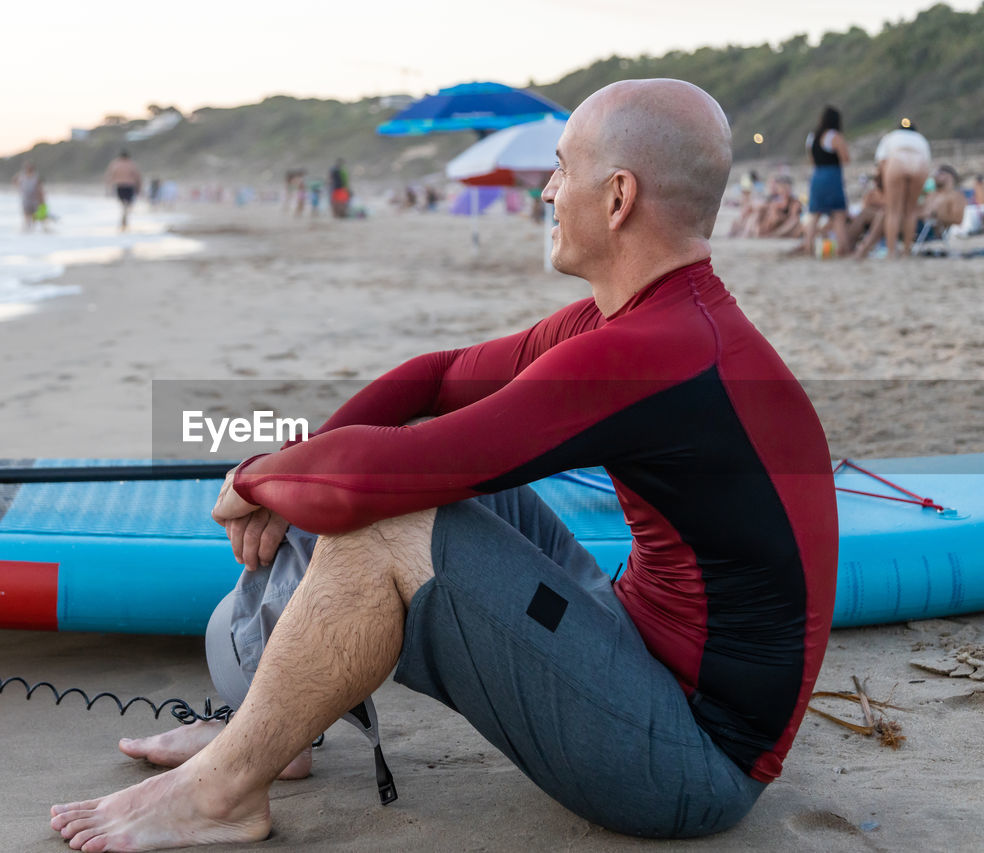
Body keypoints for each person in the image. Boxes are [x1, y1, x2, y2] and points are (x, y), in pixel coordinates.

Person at [49, 79, 838, 850]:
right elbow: (435, 378)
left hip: (690, 760)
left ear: (619, 197)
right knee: (360, 478)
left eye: (561, 170)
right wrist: (291, 466)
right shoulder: (636, 320)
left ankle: (222, 789)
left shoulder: (655, 351)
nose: (547, 192)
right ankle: (269, 734)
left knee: (386, 513)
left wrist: (254, 479)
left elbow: (374, 479)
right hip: (636, 650)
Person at [872, 122, 931, 259]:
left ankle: (891, 251)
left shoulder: (891, 137)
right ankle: (906, 251)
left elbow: (881, 162)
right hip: (919, 165)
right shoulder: (920, 139)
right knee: (911, 211)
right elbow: (928, 163)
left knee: (893, 211)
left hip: (897, 163)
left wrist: (881, 184)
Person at [799, 106, 851, 256]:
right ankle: (843, 249)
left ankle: (808, 247)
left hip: (817, 176)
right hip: (832, 176)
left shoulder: (811, 137)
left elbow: (812, 160)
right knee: (839, 214)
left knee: (814, 214)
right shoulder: (834, 136)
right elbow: (845, 159)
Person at [919, 164, 967, 234]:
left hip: (931, 230)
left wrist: (935, 215)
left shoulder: (956, 196)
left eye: (939, 173)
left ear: (950, 177)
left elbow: (958, 220)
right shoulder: (931, 194)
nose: (935, 176)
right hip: (921, 227)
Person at [105, 151, 143, 231]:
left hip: (119, 186)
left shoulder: (115, 164)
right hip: (130, 186)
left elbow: (110, 176)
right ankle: (125, 216)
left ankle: (124, 214)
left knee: (123, 204)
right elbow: (138, 177)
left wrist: (108, 187)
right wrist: (139, 188)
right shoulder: (131, 164)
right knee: (129, 204)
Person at [12, 161, 45, 232]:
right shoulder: (21, 176)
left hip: (34, 200)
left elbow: (40, 189)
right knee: (27, 217)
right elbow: (14, 180)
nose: (29, 169)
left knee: (34, 217)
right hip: (26, 200)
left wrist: (42, 200)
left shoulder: (36, 177)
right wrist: (19, 187)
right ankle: (28, 231)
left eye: (30, 168)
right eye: (27, 168)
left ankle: (31, 231)